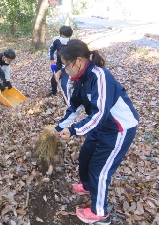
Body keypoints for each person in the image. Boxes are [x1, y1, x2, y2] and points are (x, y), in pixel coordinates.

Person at [53, 39, 139, 224]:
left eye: (66, 65)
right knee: (85, 156)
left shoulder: (100, 76)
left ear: (78, 61)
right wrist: (60, 126)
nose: (64, 70)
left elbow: (100, 114)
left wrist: (74, 130)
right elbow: (74, 106)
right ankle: (87, 186)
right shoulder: (80, 80)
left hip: (118, 128)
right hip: (100, 125)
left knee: (99, 170)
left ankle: (100, 213)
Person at [47, 25, 73, 99]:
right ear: (60, 35)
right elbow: (51, 49)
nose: (64, 39)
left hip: (68, 66)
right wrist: (52, 60)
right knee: (53, 80)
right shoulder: (57, 41)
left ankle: (67, 101)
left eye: (66, 37)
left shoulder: (71, 44)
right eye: (62, 36)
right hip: (58, 65)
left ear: (69, 36)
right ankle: (54, 92)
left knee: (64, 85)